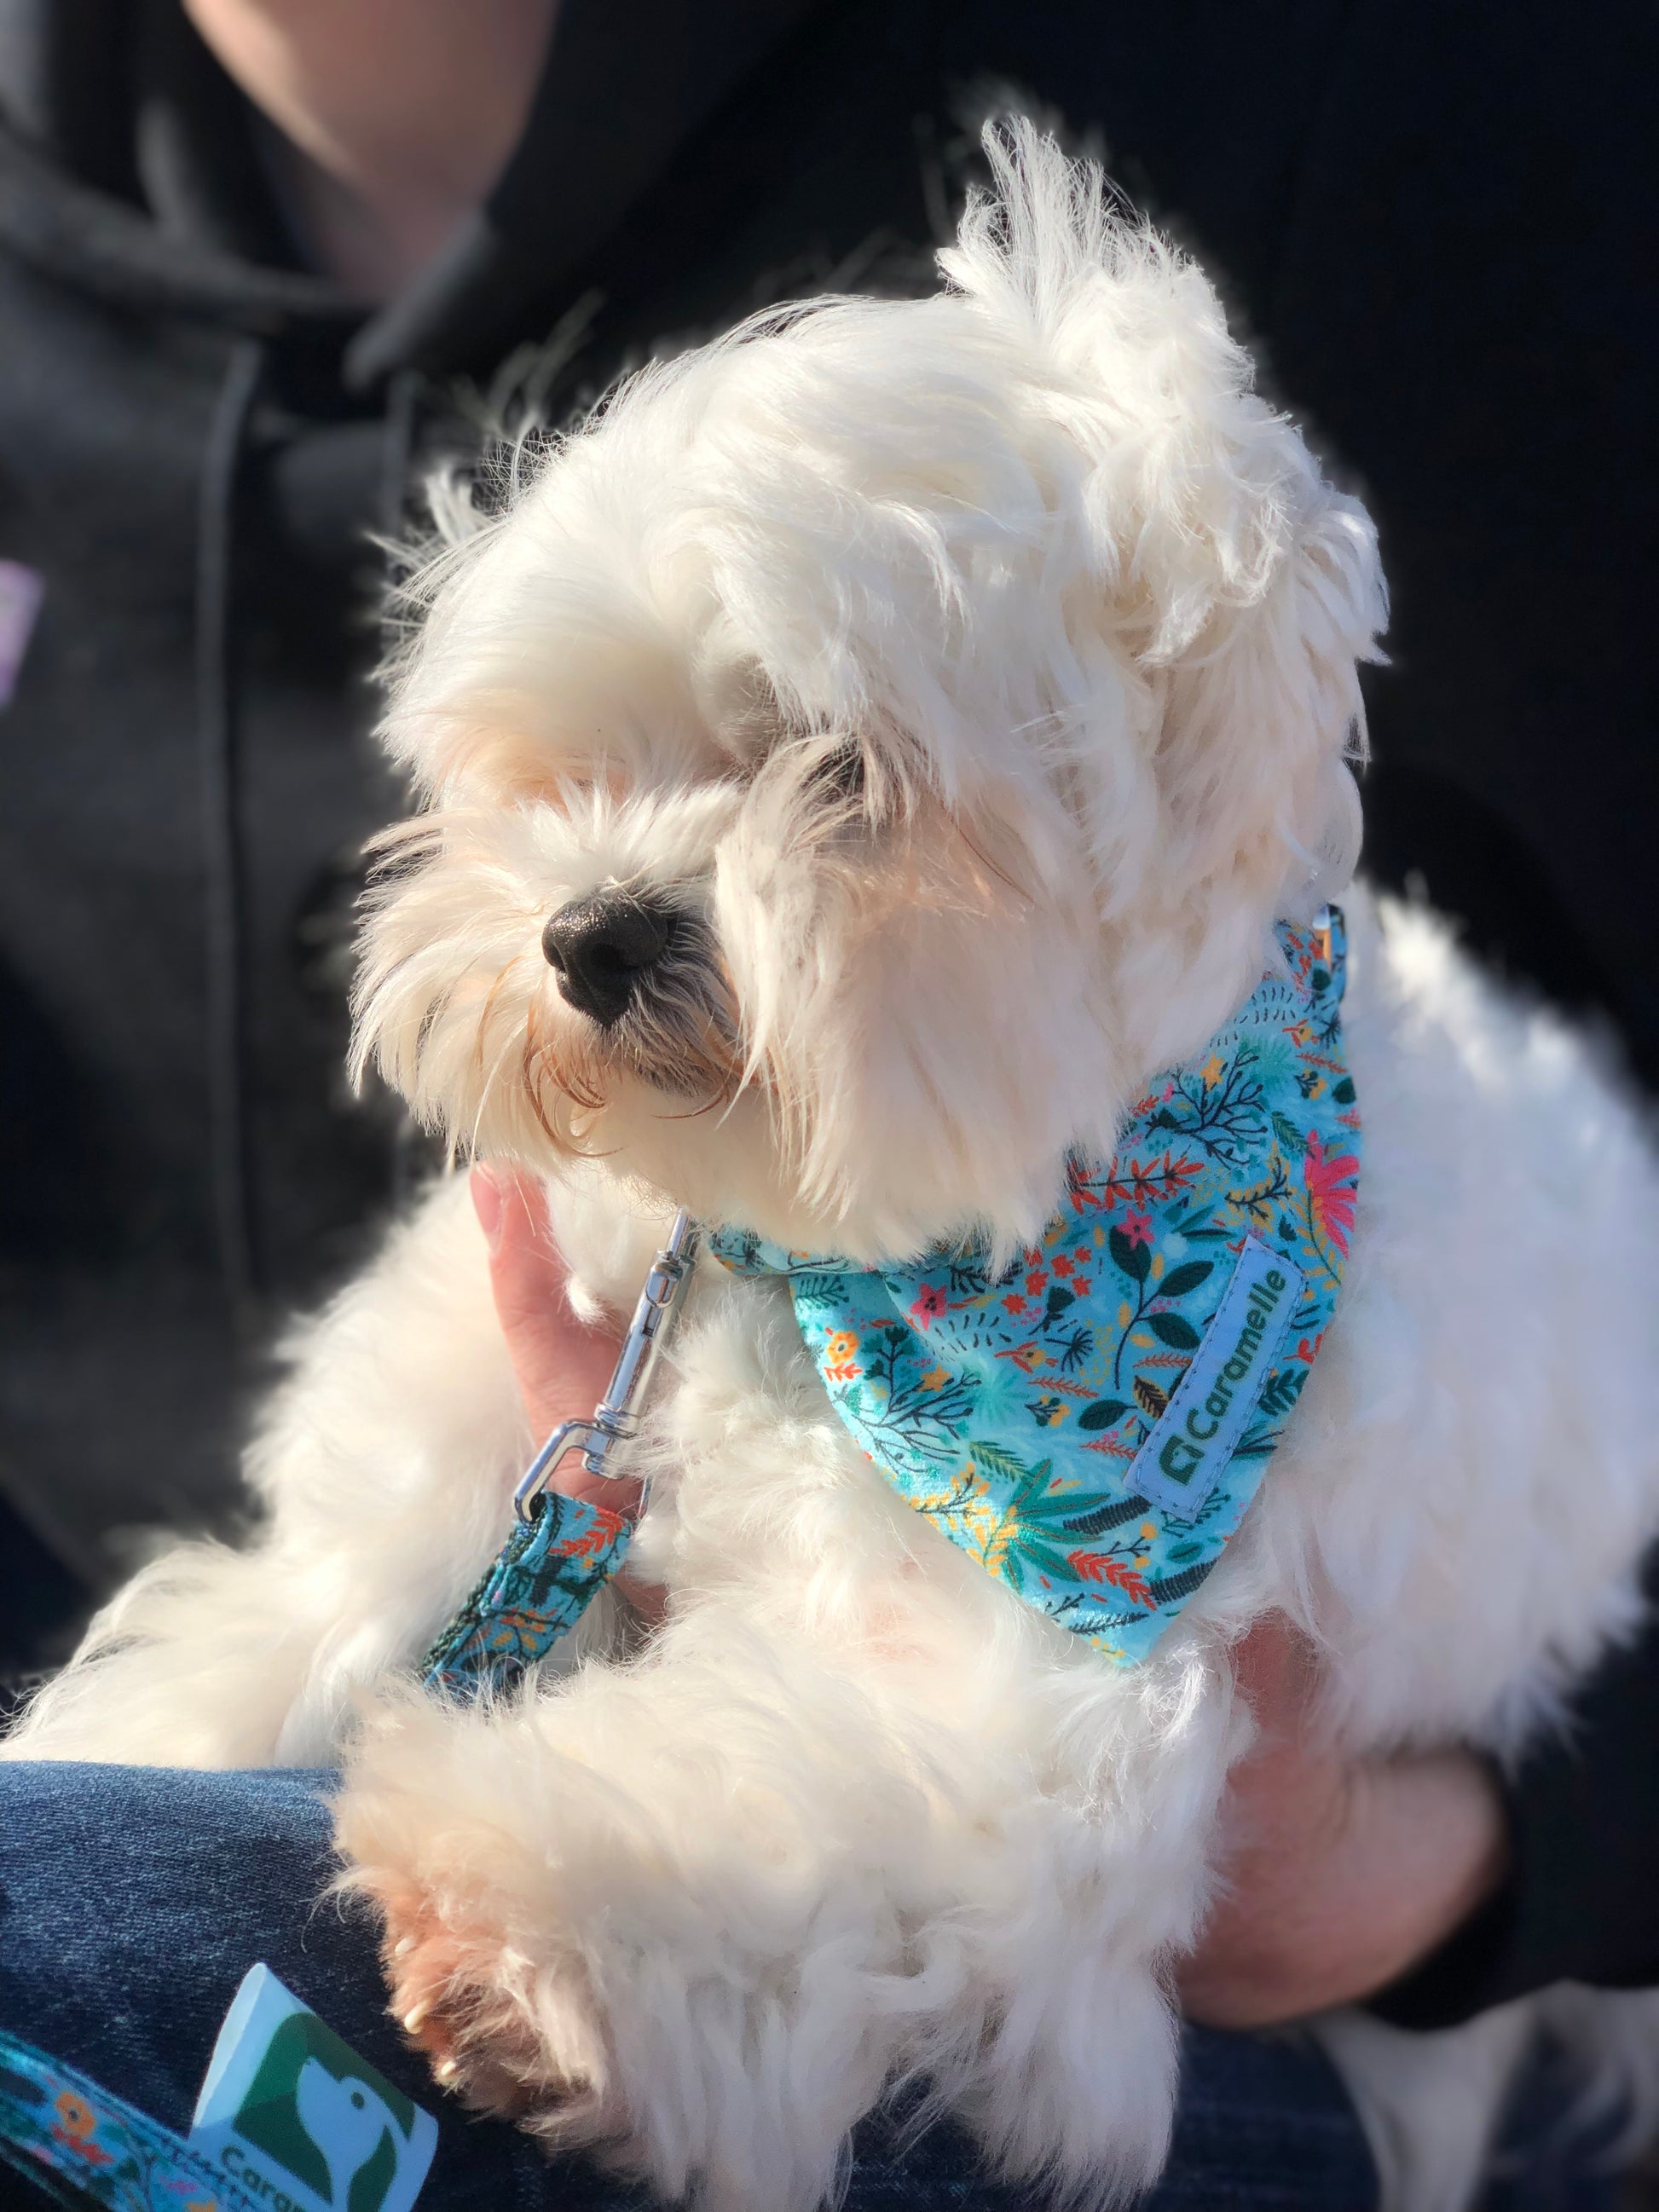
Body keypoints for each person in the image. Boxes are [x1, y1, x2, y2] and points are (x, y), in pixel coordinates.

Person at [1, 1, 1656, 2202]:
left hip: (1309, 2016)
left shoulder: (1378, 115)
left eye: (834, 788)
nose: (619, 898)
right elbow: (337, 1563)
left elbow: (1048, 1803)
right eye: (561, 781)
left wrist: (1479, 1851)